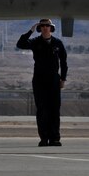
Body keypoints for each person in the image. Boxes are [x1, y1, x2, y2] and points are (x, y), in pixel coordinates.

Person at [16, 18, 68, 147]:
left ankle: (55, 138)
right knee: (42, 110)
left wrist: (63, 79)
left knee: (54, 109)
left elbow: (64, 62)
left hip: (54, 80)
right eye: (43, 26)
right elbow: (20, 44)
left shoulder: (58, 43)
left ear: (51, 28)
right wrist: (30, 31)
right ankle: (44, 138)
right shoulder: (35, 42)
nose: (45, 28)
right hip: (39, 80)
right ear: (40, 28)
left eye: (47, 26)